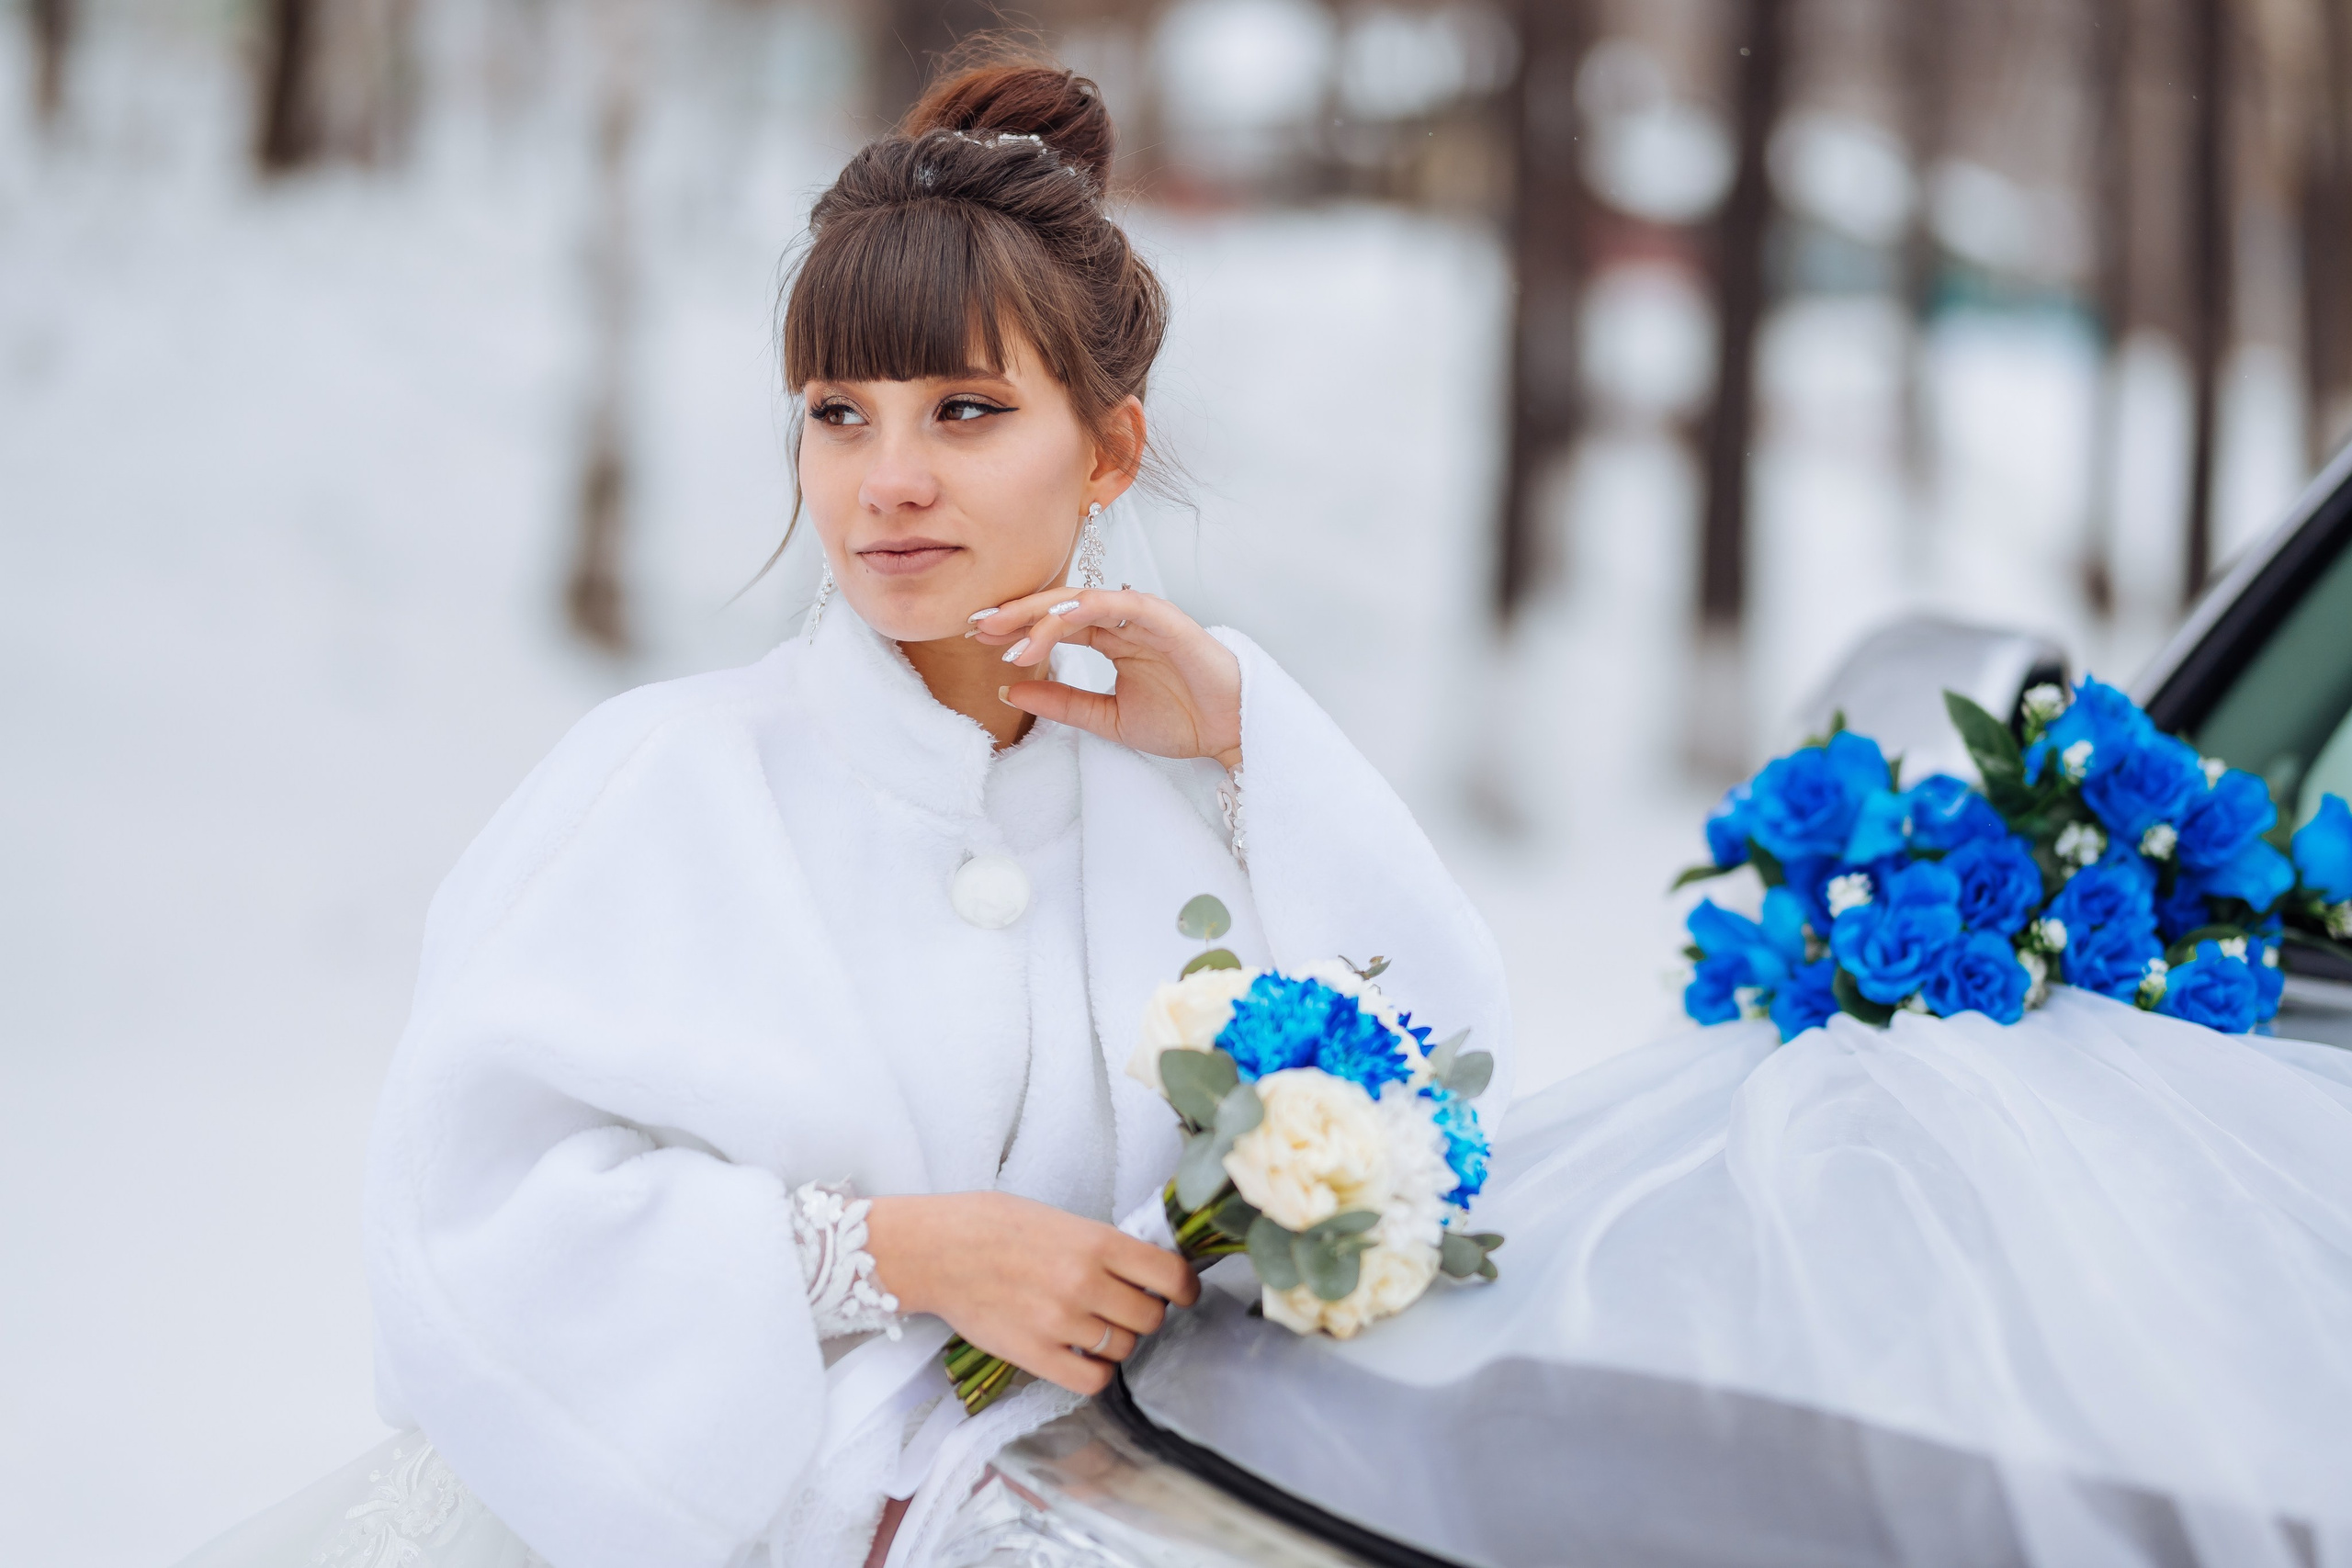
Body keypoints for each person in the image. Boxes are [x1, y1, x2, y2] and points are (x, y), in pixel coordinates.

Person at [171, 53, 1510, 1568]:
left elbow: (1436, 1111)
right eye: (838, 412)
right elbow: (470, 1225)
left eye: (964, 410)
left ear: (1110, 447)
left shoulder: (1197, 817)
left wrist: (1245, 738)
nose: (889, 481)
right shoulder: (667, 785)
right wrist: (899, 1254)